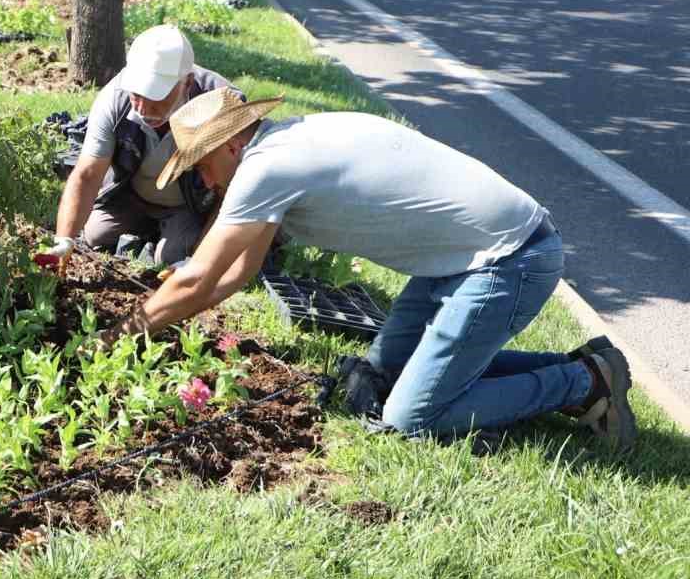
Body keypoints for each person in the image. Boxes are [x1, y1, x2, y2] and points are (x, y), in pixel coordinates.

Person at [101, 89, 636, 450]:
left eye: (201, 167)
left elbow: (200, 277)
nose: (205, 183)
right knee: (386, 376)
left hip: (508, 260)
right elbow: (235, 273)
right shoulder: (292, 142)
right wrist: (166, 306)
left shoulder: (265, 169)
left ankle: (582, 382)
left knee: (412, 418)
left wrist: (119, 334)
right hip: (458, 259)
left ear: (232, 144)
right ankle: (587, 362)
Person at [48, 25, 238, 266]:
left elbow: (231, 191)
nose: (143, 108)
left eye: (156, 97)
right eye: (137, 94)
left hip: (187, 206)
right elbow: (87, 174)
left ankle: (169, 239)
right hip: (132, 197)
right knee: (95, 235)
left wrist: (198, 258)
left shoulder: (222, 103)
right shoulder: (113, 99)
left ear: (187, 83)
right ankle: (149, 232)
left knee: (170, 258)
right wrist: (64, 240)